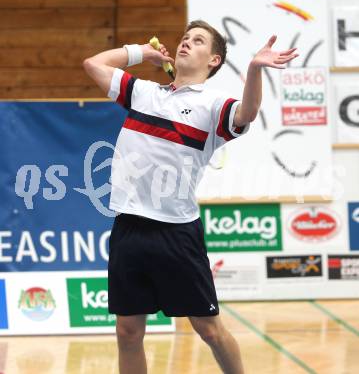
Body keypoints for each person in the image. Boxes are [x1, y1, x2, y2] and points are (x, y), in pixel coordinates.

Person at [83, 20, 298, 374]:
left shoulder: (213, 106)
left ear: (213, 60)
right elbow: (94, 64)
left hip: (177, 233)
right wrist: (143, 52)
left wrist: (255, 69)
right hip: (129, 227)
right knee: (128, 331)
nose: (185, 43)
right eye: (184, 38)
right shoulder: (144, 93)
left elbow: (247, 112)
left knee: (209, 330)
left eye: (197, 41)